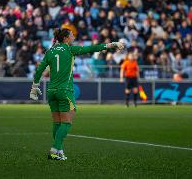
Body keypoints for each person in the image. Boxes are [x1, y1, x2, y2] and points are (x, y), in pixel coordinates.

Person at [29, 28, 124, 160]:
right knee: (67, 122)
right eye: (72, 35)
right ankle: (54, 149)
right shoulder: (69, 49)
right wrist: (112, 45)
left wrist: (34, 86)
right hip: (65, 91)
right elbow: (92, 48)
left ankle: (59, 150)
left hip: (51, 91)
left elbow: (40, 69)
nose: (74, 37)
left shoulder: (50, 51)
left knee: (57, 122)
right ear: (66, 38)